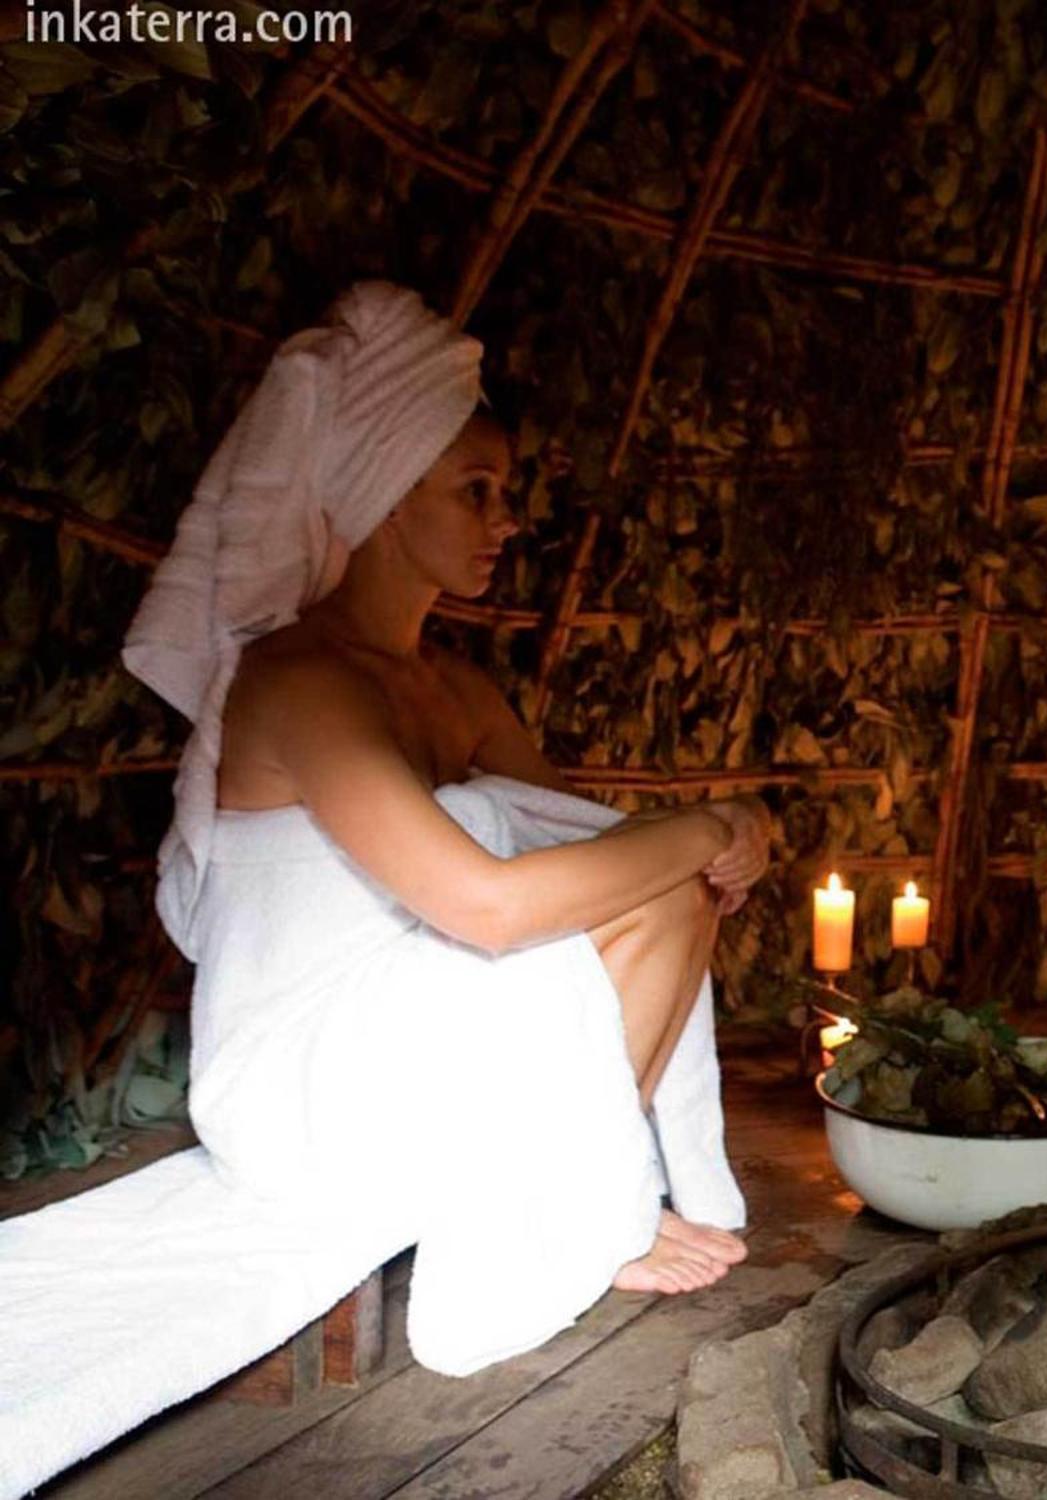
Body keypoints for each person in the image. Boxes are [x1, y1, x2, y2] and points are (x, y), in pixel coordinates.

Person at [121, 283, 765, 1373]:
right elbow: (488, 908)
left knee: (665, 888)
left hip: (414, 1056)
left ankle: (574, 1191)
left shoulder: (456, 691)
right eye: (475, 489)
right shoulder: (301, 682)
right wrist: (709, 825)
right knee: (662, 873)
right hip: (300, 1094)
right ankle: (570, 1214)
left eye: (504, 491)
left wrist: (716, 843)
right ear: (379, 494)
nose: (506, 519)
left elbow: (594, 873)